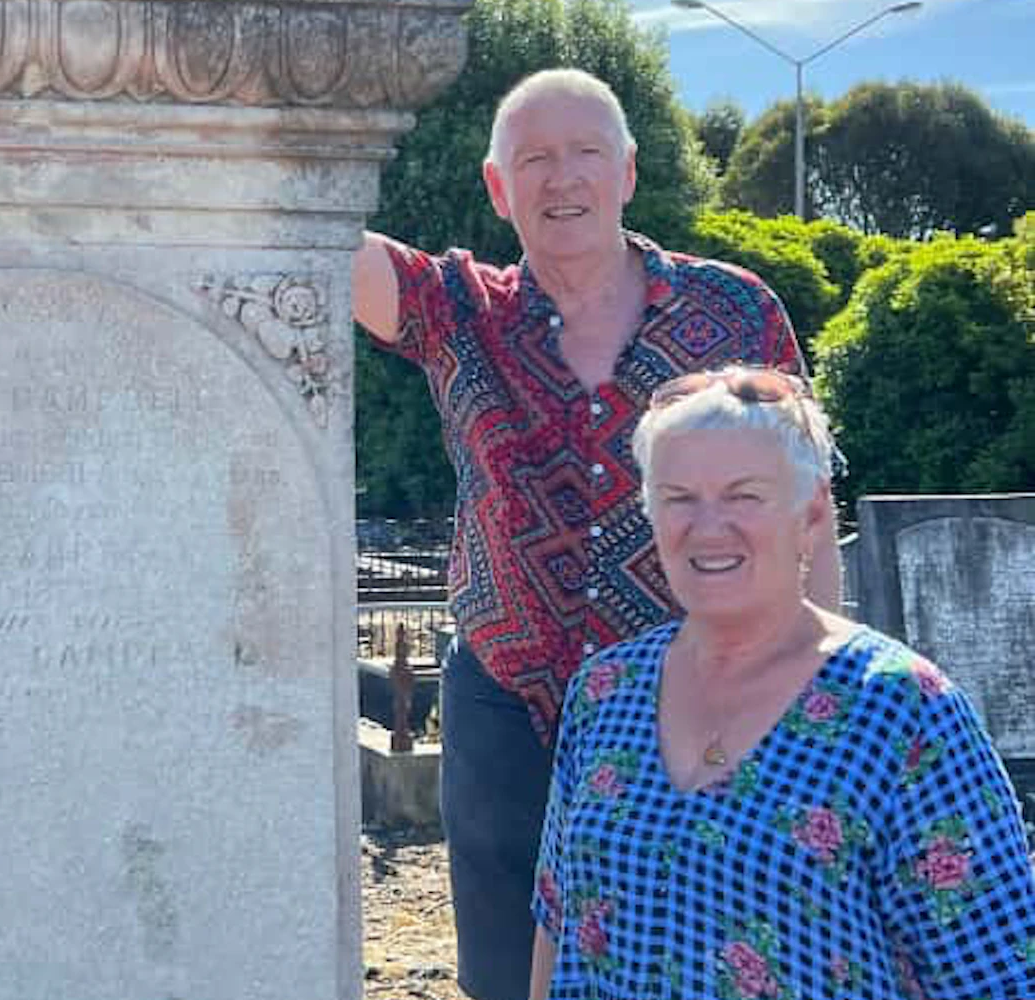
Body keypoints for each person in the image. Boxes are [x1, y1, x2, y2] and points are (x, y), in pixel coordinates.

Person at [350, 68, 842, 1000]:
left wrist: (817, 685)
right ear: (498, 188)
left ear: (628, 172)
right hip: (504, 699)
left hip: (693, 692)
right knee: (504, 970)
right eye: (533, 159)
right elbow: (311, 238)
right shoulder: (461, 309)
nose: (561, 179)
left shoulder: (734, 311)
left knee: (694, 952)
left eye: (585, 153)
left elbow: (802, 503)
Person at [531, 364, 1035, 998]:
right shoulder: (605, 690)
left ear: (812, 511)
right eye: (678, 496)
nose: (708, 526)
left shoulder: (902, 709)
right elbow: (557, 918)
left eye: (744, 495)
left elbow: (994, 974)